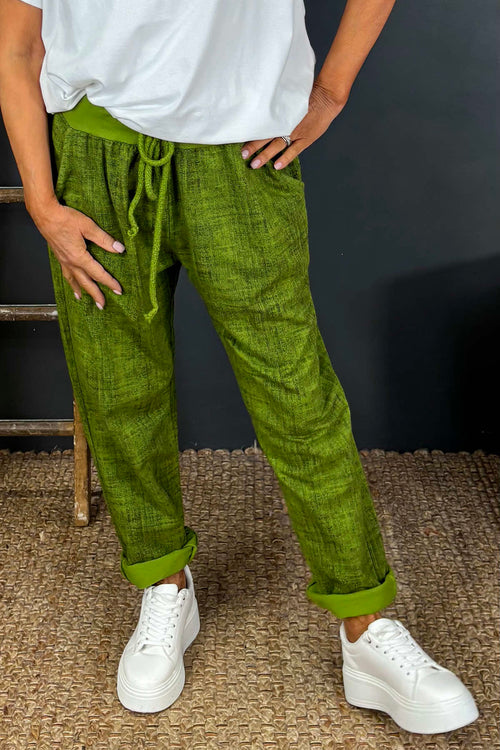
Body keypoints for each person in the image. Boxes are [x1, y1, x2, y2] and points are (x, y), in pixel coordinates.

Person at [0, 0, 479, 733]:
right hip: (94, 158)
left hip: (239, 158)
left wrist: (329, 92)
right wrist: (41, 202)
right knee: (117, 385)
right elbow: (18, 47)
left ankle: (366, 624)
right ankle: (163, 581)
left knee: (296, 393)